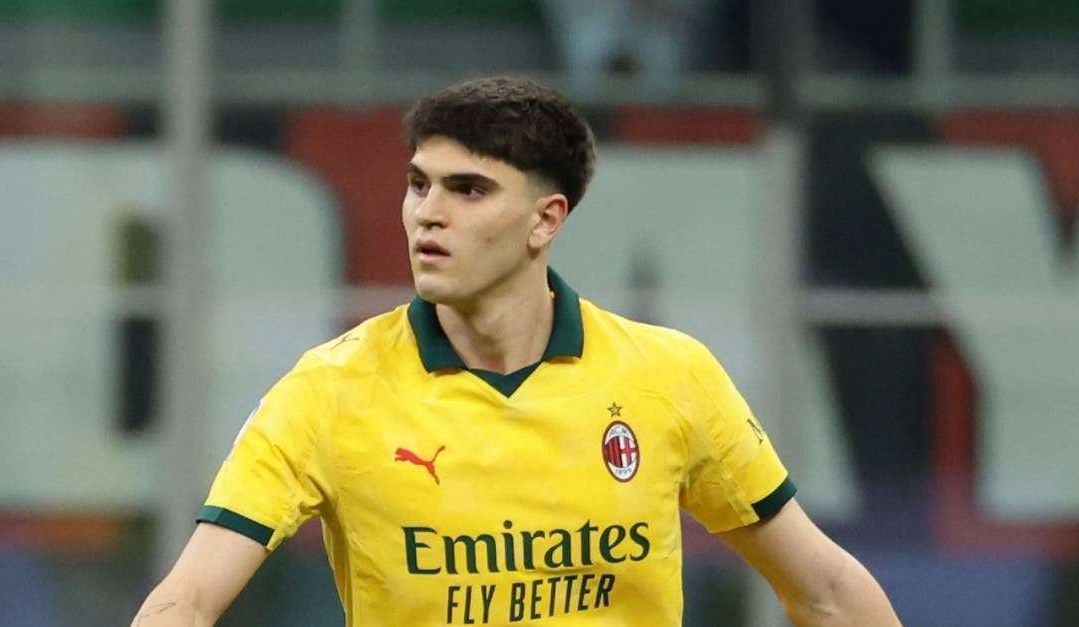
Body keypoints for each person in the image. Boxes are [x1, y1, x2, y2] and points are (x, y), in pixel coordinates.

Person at [130, 75, 902, 627]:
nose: (427, 214)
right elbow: (185, 600)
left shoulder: (670, 376)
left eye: (468, 190)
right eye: (418, 184)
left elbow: (826, 591)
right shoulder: (328, 391)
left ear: (546, 219)